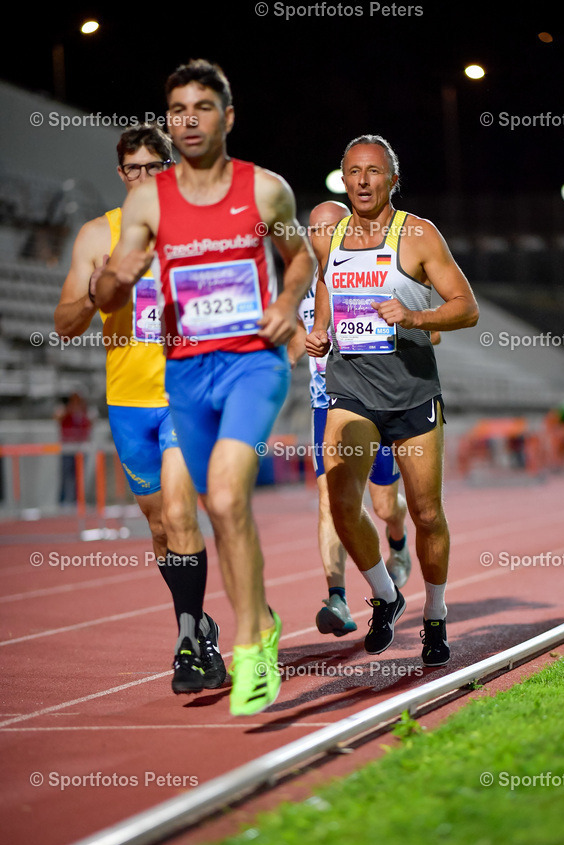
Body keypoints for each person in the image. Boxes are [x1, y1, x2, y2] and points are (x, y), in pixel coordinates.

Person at [95, 60, 315, 716]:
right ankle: (261, 620)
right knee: (211, 511)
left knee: (223, 494)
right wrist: (115, 278)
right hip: (184, 372)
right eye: (177, 110)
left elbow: (300, 256)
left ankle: (251, 647)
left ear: (228, 116)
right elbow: (107, 290)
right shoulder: (147, 201)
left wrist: (288, 303)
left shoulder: (265, 189)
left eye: (202, 107)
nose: (188, 120)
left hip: (251, 363)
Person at [55, 123, 225, 696]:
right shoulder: (97, 235)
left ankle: (187, 644)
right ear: (121, 174)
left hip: (184, 397)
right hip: (128, 404)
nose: (146, 177)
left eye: (157, 167)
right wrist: (95, 289)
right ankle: (201, 624)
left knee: (180, 514)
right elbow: (64, 323)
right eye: (135, 168)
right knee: (158, 526)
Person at [306, 135, 478, 666]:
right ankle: (385, 595)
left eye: (374, 171)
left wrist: (415, 316)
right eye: (353, 171)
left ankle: (435, 614)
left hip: (411, 391)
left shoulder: (419, 234)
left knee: (426, 512)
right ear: (343, 178)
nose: (362, 181)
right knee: (340, 501)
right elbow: (327, 287)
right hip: (351, 388)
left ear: (392, 180)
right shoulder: (331, 237)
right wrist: (320, 330)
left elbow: (466, 307)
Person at [289, 200, 412, 636]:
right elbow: (291, 343)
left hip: (376, 401)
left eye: (329, 228)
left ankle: (398, 540)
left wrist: (396, 324)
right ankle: (337, 598)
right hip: (327, 404)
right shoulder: (299, 285)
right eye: (313, 230)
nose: (320, 237)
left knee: (384, 505)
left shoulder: (377, 268)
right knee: (330, 500)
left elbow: (428, 331)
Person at [54, 392, 92, 504]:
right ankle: (62, 500)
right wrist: (69, 409)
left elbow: (91, 423)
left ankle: (77, 500)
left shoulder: (84, 411)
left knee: (79, 475)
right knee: (65, 475)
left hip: (80, 448)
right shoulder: (65, 410)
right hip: (67, 448)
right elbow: (57, 418)